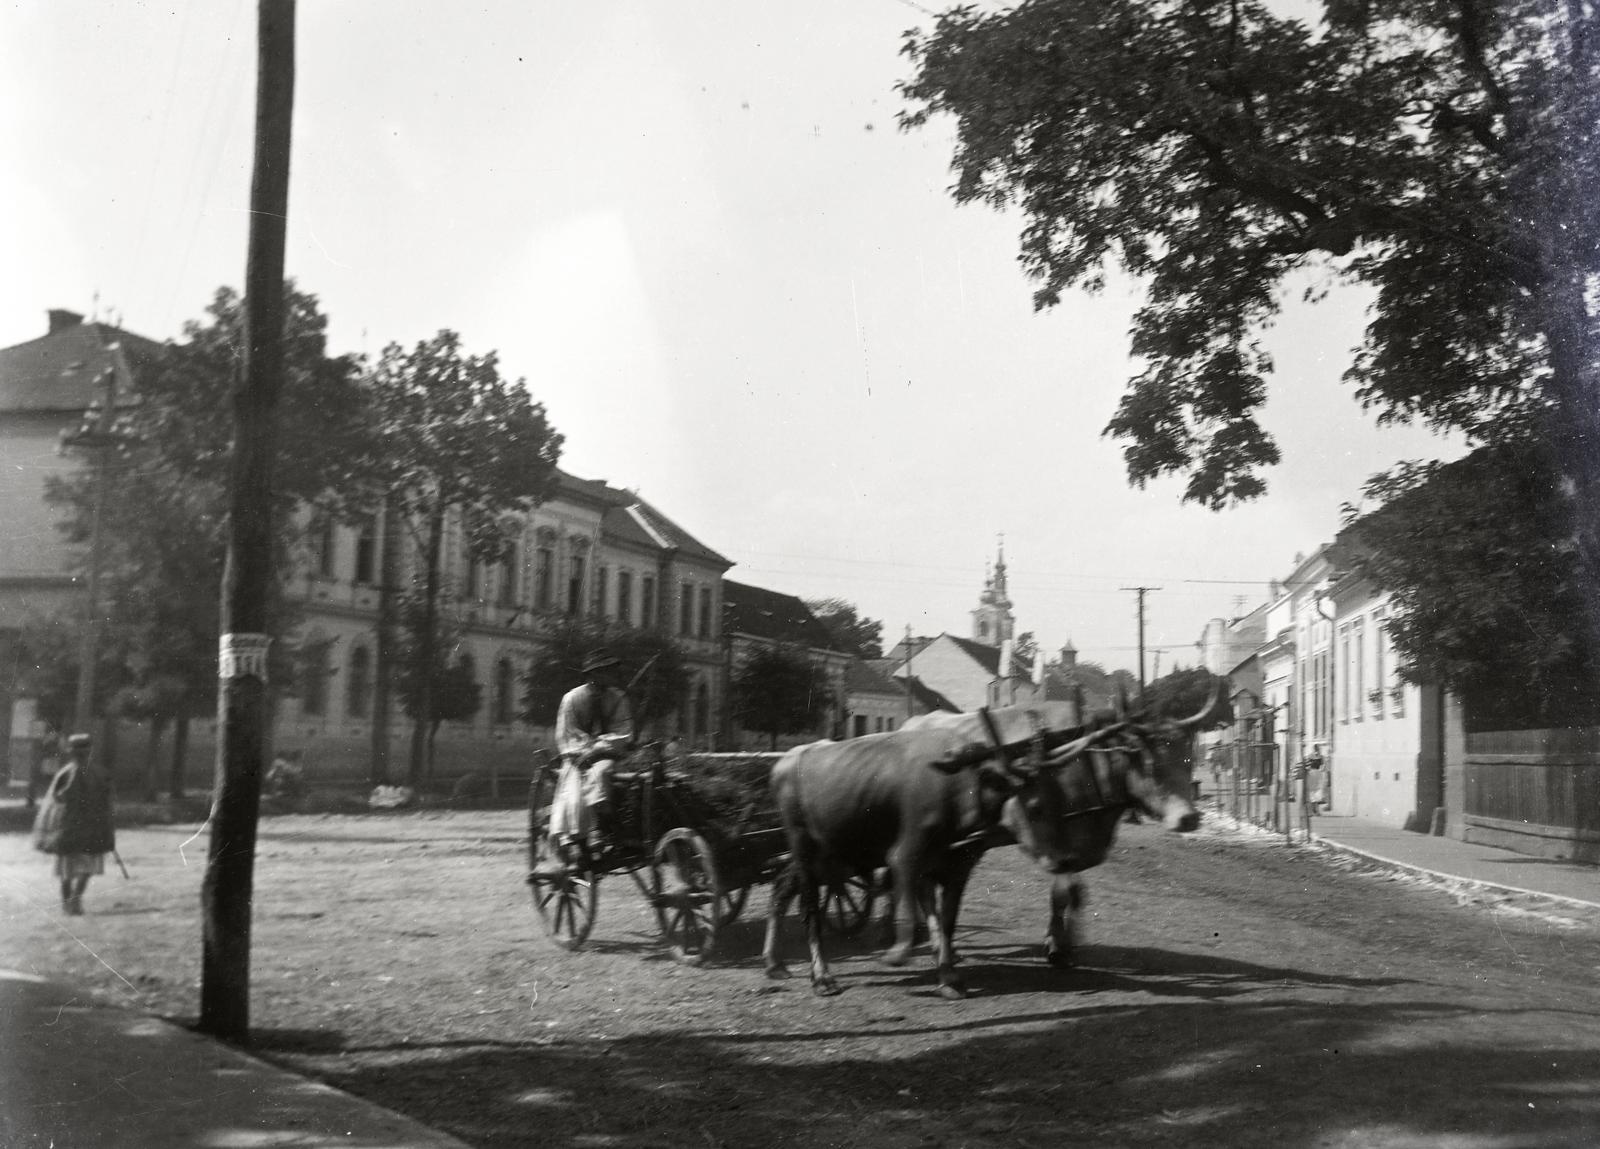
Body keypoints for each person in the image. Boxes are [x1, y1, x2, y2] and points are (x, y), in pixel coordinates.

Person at [547, 650, 633, 856]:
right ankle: (581, 834)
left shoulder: (618, 698)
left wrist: (602, 746)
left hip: (607, 754)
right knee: (574, 788)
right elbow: (567, 732)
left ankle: (599, 827)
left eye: (612, 670)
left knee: (602, 772)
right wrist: (586, 750)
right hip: (578, 756)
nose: (612, 675)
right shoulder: (572, 699)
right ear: (593, 674)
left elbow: (623, 729)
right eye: (606, 671)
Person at [33, 733, 115, 915]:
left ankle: (70, 902)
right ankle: (73, 901)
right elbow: (107, 800)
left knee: (69, 868)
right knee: (82, 866)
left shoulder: (70, 773)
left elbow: (56, 799)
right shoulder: (96, 773)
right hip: (84, 827)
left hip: (73, 827)